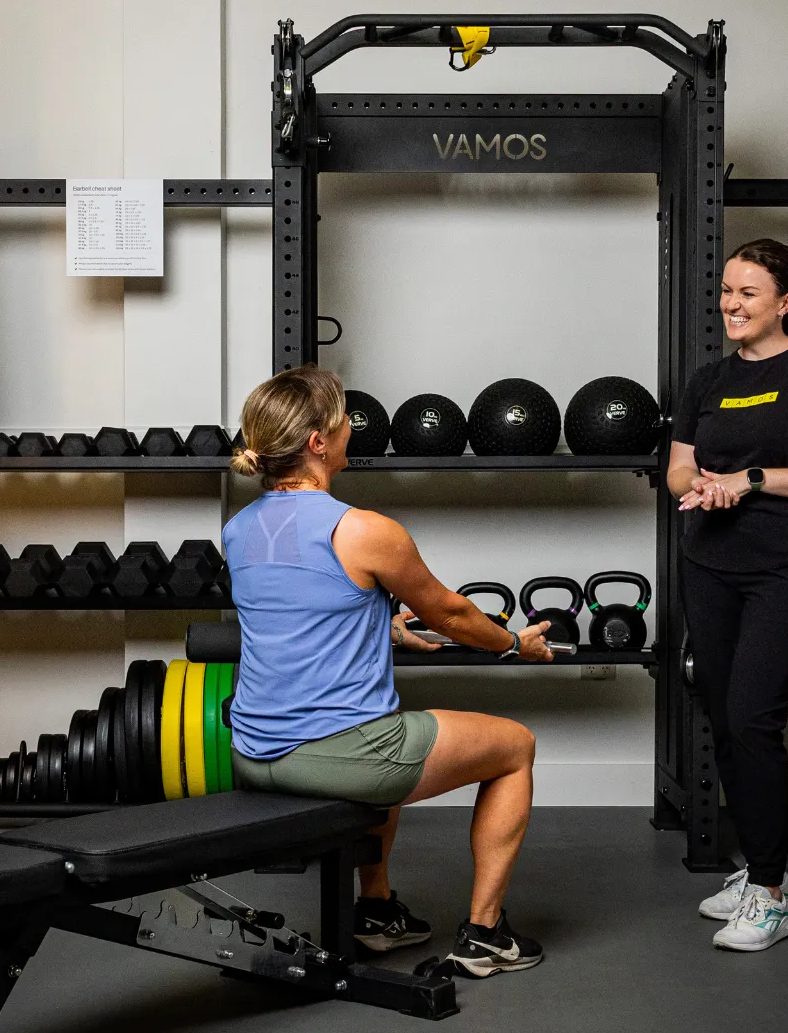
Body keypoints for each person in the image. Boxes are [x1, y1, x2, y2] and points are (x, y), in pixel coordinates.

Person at [224, 365, 553, 978]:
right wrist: (513, 643)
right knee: (515, 747)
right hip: (337, 757)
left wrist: (382, 622)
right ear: (318, 442)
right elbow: (451, 613)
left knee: (391, 729)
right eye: (343, 419)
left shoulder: (239, 530)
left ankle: (375, 912)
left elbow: (297, 606)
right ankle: (486, 935)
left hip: (253, 752)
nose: (351, 426)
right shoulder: (365, 530)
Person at [667, 238, 788, 952]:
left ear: (785, 301)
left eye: (747, 293)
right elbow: (678, 470)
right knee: (725, 719)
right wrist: (705, 486)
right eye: (727, 291)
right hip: (709, 565)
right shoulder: (707, 381)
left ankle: (773, 896)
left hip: (787, 568)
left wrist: (750, 480)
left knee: (754, 716)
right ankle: (759, 871)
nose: (731, 304)